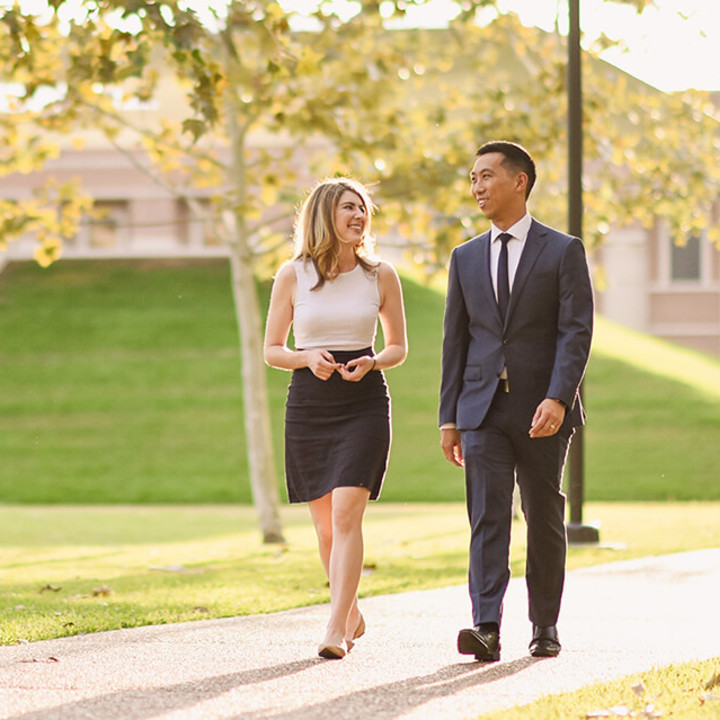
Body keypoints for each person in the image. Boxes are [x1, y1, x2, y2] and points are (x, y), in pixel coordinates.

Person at [439, 141, 594, 662]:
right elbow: (455, 342)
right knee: (486, 517)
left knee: (543, 515)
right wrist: (449, 418)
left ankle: (544, 625)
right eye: (472, 179)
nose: (477, 187)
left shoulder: (562, 250)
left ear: (519, 181)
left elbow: (576, 333)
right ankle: (486, 626)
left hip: (542, 411)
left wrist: (558, 397)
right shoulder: (463, 258)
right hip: (481, 409)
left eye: (485, 176)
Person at [264, 177, 407, 660]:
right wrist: (305, 359)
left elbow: (398, 346)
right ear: (325, 215)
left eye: (363, 209)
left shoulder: (381, 275)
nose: (359, 216)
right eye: (349, 207)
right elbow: (271, 350)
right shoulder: (293, 274)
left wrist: (374, 361)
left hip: (363, 402)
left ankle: (334, 630)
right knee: (325, 529)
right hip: (308, 405)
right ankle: (350, 610)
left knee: (347, 514)